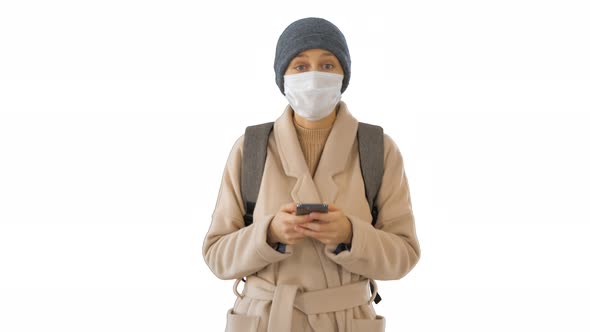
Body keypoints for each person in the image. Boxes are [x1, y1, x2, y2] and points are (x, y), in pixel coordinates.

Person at [203, 17, 420, 332]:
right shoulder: (250, 149)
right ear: (283, 77)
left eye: (328, 65)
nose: (315, 76)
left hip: (346, 321)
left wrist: (350, 234)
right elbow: (216, 256)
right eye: (300, 66)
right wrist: (268, 234)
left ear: (343, 74)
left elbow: (404, 255)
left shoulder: (378, 148)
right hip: (265, 319)